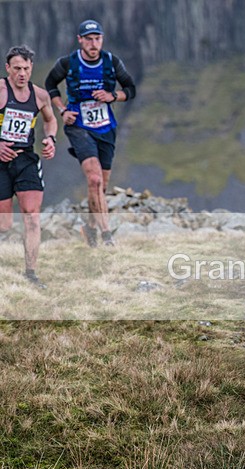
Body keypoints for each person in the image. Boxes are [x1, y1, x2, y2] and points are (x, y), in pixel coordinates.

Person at [45, 19, 136, 247]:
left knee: (101, 186)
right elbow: (50, 84)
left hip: (106, 128)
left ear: (102, 39)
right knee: (94, 179)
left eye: (97, 39)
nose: (93, 43)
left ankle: (90, 228)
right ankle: (107, 237)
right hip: (78, 126)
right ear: (80, 40)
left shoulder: (112, 62)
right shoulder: (67, 63)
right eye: (88, 39)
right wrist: (62, 110)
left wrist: (112, 96)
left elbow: (130, 89)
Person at [0, 45, 58, 289]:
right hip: (0, 162)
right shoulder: (1, 90)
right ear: (7, 68)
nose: (21, 74)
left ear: (31, 67)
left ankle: (31, 274)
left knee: (32, 217)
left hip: (26, 160)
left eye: (25, 68)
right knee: (4, 224)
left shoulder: (41, 95)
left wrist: (50, 139)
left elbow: (50, 120)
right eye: (16, 69)